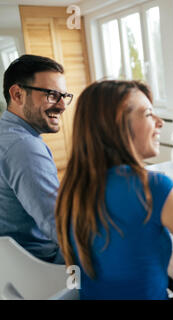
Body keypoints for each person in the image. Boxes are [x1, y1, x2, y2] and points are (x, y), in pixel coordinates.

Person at [55, 80, 173, 300]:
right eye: (148, 114)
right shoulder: (153, 187)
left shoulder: (72, 189)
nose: (159, 122)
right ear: (118, 124)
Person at [0, 54, 72, 263]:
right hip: (45, 268)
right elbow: (61, 229)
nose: (62, 105)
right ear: (18, 94)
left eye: (64, 96)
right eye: (51, 94)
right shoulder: (24, 147)